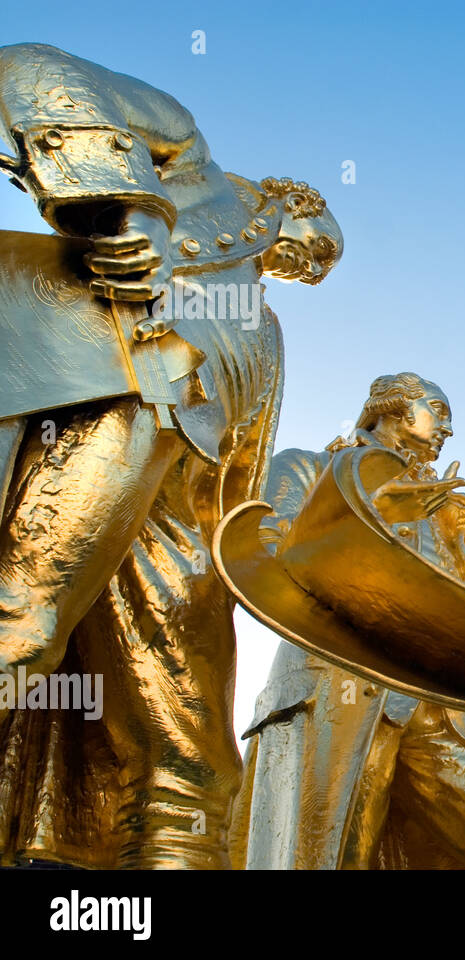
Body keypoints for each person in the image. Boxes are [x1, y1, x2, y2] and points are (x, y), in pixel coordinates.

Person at [0, 43, 341, 868]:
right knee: (21, 627)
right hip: (112, 396)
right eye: (319, 233)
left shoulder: (261, 323)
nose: (317, 257)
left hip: (185, 515)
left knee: (194, 756)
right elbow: (31, 65)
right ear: (288, 200)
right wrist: (128, 211)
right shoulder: (188, 157)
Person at [231, 374, 465, 869]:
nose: (448, 428)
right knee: (330, 858)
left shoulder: (455, 505)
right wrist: (363, 517)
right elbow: (262, 560)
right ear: (393, 408)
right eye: (438, 410)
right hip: (336, 691)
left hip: (448, 710)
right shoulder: (308, 468)